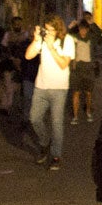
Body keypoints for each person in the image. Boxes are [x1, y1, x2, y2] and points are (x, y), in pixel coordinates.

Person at [24, 17, 76, 169]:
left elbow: (63, 64)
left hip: (59, 88)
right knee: (34, 118)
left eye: (51, 29)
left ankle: (56, 156)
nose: (48, 32)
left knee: (56, 123)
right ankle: (44, 141)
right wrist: (36, 40)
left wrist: (51, 47)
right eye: (46, 29)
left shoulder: (67, 40)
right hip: (41, 86)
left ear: (58, 29)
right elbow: (28, 56)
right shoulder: (43, 39)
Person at [68, 16, 101, 124]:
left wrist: (92, 24)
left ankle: (88, 112)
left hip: (89, 69)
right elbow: (65, 38)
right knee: (75, 93)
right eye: (81, 29)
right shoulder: (75, 37)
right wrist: (70, 27)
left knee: (88, 93)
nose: (82, 31)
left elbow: (99, 35)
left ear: (87, 29)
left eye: (85, 29)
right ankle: (75, 116)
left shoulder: (91, 38)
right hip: (77, 69)